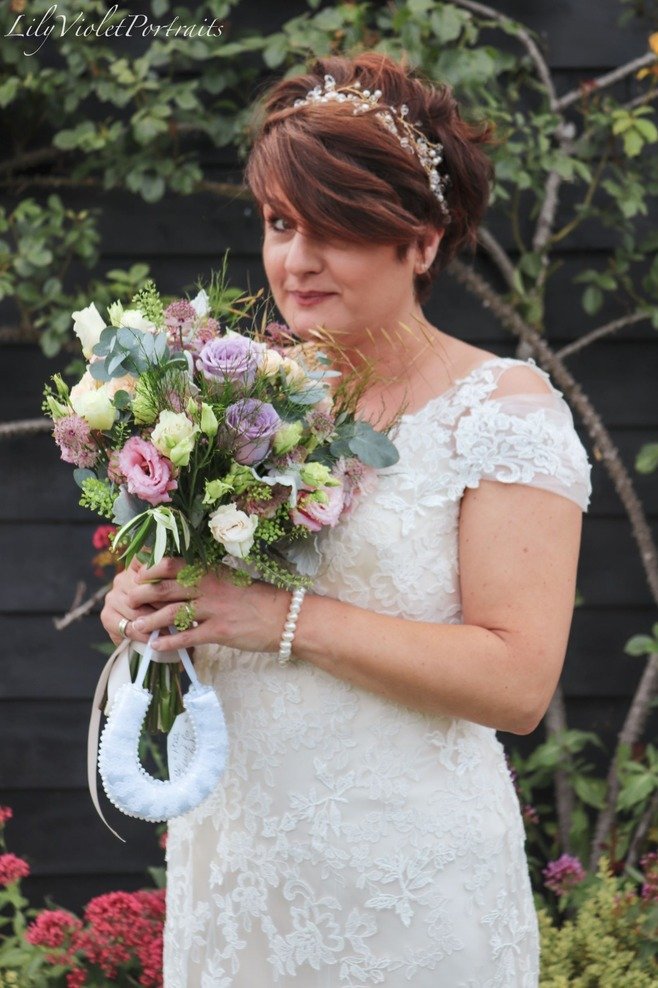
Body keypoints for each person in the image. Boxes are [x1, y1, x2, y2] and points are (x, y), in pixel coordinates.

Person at [101, 51, 593, 985]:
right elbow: (218, 609)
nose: (295, 260)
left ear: (424, 238)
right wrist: (147, 605)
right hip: (237, 869)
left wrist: (283, 620)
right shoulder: (248, 396)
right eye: (281, 223)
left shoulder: (503, 411)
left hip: (406, 884)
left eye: (336, 228)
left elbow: (519, 682)